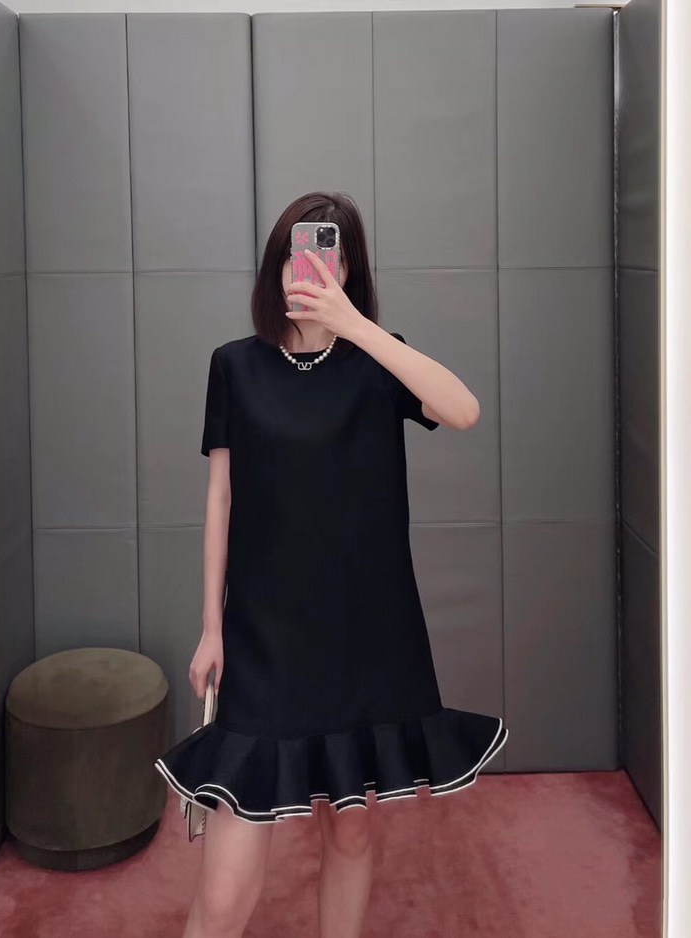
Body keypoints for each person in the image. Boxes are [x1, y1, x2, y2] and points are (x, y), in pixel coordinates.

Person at [154, 191, 509, 938]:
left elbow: (465, 409)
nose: (305, 268)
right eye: (294, 252)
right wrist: (211, 628)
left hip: (365, 639)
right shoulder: (235, 366)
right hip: (265, 640)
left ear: (347, 269)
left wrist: (356, 326)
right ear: (276, 265)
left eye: (324, 254)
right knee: (226, 889)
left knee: (350, 835)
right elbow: (221, 498)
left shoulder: (379, 361)